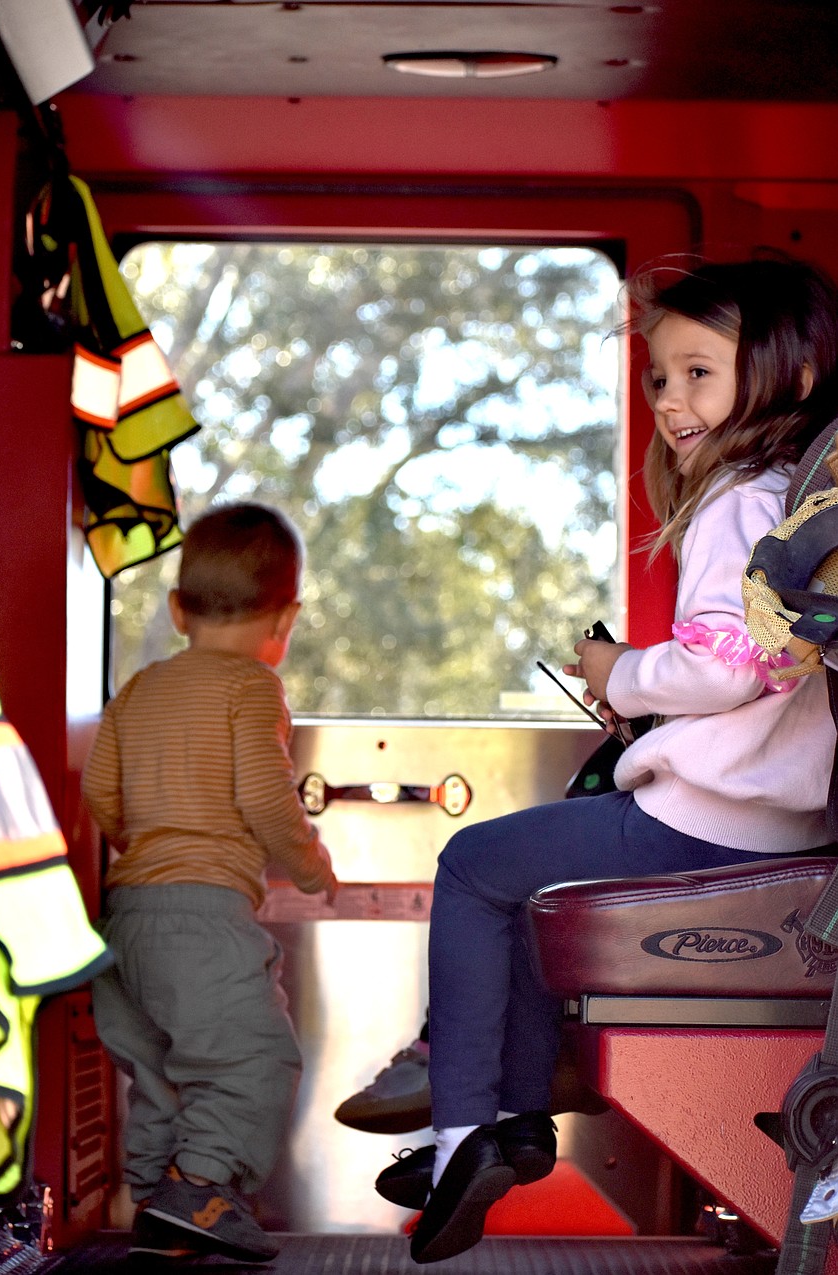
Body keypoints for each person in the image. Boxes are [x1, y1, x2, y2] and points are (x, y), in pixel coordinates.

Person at [375, 253, 838, 1265]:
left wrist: (619, 671)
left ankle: (464, 1134)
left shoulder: (738, 501)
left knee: (471, 865)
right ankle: (519, 1125)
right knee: (537, 884)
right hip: (775, 818)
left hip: (704, 822)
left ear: (790, 376)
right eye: (659, 377)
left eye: (698, 373)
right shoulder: (796, 507)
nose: (671, 400)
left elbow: (727, 668)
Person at [82, 502, 338, 1264]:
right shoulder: (253, 688)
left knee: (159, 1075)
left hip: (123, 919)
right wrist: (309, 863)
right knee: (256, 1059)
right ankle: (199, 1185)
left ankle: (158, 1210)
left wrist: (144, 844)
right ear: (284, 620)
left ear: (175, 608)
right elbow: (265, 796)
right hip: (205, 918)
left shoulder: (138, 690)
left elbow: (101, 792)